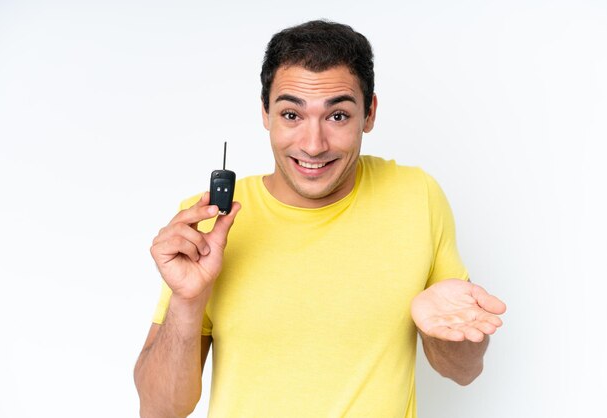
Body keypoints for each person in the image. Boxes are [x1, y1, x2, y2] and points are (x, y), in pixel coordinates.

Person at [134, 20, 506, 418]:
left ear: (370, 113)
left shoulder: (417, 196)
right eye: (292, 115)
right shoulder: (210, 222)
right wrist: (187, 302)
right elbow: (160, 410)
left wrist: (442, 336)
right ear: (265, 113)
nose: (313, 145)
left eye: (338, 116)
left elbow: (464, 371)